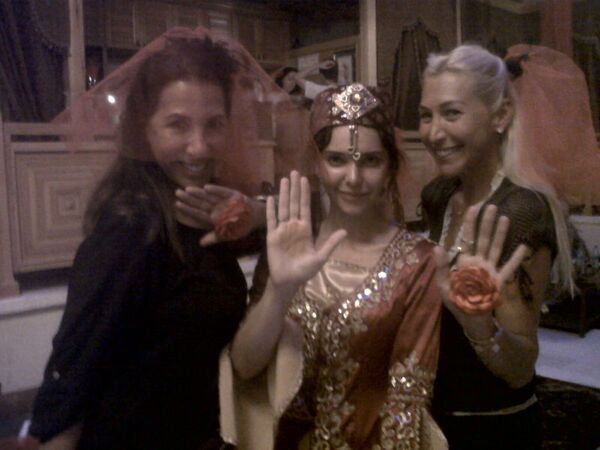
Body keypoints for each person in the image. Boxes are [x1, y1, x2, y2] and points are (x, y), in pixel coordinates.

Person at [219, 83, 529, 449]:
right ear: (317, 164)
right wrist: (279, 290)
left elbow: (407, 401)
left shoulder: (418, 262)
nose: (353, 178)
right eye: (337, 160)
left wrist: (482, 326)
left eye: (370, 161)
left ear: (390, 168)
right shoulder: (288, 249)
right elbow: (245, 367)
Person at [29, 29, 278, 450]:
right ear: (143, 130)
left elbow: (302, 219)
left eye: (214, 125)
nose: (198, 148)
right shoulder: (132, 226)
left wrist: (256, 213)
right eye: (177, 125)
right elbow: (75, 363)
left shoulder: (199, 207)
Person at [418, 44, 584, 449]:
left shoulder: (521, 211)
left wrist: (481, 329)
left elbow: (519, 368)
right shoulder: (439, 195)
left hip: (491, 429)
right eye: (426, 115)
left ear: (501, 115)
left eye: (451, 113)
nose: (433, 133)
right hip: (433, 421)